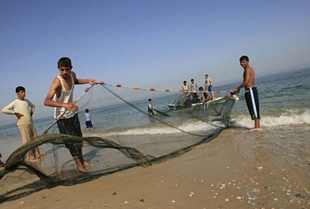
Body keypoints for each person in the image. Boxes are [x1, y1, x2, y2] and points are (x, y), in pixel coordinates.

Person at [44, 57, 97, 173]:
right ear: (58, 69)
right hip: (61, 117)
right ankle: (79, 165)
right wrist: (65, 105)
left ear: (71, 68)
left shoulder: (72, 75)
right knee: (71, 142)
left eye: (67, 69)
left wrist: (89, 81)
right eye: (62, 70)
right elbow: (47, 101)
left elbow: (76, 81)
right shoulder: (57, 81)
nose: (64, 72)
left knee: (78, 138)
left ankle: (82, 160)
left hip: (73, 113)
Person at [2, 86, 43, 163]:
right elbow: (4, 110)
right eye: (21, 92)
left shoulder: (26, 101)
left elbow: (33, 106)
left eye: (24, 92)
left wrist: (31, 113)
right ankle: (29, 157)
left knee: (34, 139)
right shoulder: (15, 102)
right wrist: (15, 113)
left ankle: (38, 155)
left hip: (30, 122)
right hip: (22, 123)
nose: (23, 94)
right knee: (27, 141)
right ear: (17, 93)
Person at [234, 55, 260, 129]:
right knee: (252, 112)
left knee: (255, 112)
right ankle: (256, 128)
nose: (242, 64)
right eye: (241, 62)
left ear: (248, 61)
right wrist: (239, 89)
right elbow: (244, 82)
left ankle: (257, 129)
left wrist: (238, 87)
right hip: (248, 92)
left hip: (251, 91)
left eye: (243, 62)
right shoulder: (245, 70)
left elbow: (246, 81)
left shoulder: (248, 69)